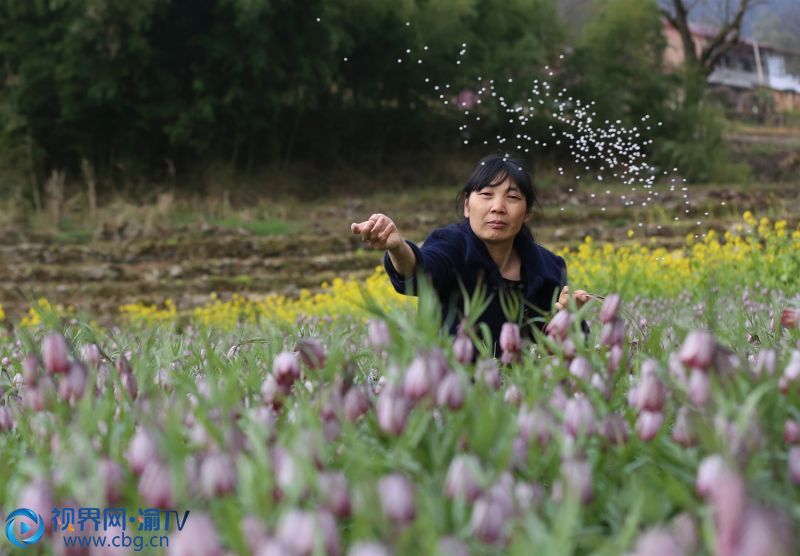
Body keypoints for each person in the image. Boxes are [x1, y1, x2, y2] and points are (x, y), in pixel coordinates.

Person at [351, 154, 589, 353]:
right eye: (486, 195)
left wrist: (569, 319)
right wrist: (398, 247)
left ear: (526, 212)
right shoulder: (451, 246)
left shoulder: (549, 267)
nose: (498, 207)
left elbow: (564, 350)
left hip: (521, 396)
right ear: (467, 206)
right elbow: (421, 270)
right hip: (452, 390)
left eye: (513, 197)